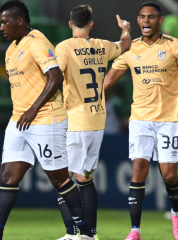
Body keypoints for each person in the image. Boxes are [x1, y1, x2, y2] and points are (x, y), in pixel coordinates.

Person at [0, 1, 94, 240]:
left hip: (46, 118)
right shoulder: (11, 49)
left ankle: (85, 233)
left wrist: (33, 109)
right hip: (19, 121)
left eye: (5, 21)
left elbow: (56, 76)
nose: (1, 27)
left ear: (19, 20)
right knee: (8, 177)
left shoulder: (37, 42)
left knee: (59, 179)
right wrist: (25, 112)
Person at [104, 2, 178, 240]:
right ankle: (135, 230)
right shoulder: (130, 49)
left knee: (168, 174)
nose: (146, 21)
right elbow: (108, 80)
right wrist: (87, 100)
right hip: (140, 119)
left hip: (168, 120)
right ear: (138, 21)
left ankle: (177, 215)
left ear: (160, 21)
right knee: (138, 168)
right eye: (142, 17)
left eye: (151, 17)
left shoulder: (174, 45)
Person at [54, 5, 131, 240]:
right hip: (97, 120)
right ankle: (90, 235)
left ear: (70, 25)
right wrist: (125, 29)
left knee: (62, 178)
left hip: (76, 120)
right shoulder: (102, 46)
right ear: (91, 25)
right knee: (85, 179)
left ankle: (73, 233)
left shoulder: (65, 47)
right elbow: (125, 45)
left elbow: (54, 76)